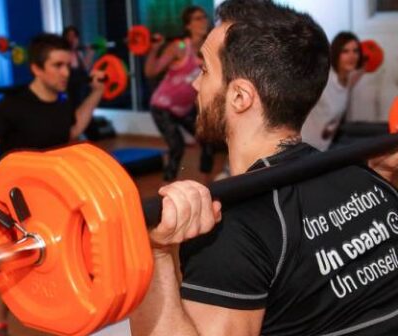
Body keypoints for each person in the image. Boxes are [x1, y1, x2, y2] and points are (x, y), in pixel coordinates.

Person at [130, 1, 398, 335]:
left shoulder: (229, 226)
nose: (195, 86)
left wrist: (155, 255)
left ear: (240, 97)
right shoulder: (372, 183)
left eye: (204, 71)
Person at [0, 33, 105, 336]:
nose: (66, 72)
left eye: (68, 65)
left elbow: (74, 127)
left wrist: (96, 93)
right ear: (37, 69)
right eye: (58, 65)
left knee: (65, 254)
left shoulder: (62, 103)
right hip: (11, 201)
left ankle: (66, 317)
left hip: (50, 196)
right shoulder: (12, 106)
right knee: (8, 262)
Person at [145, 6, 214, 182]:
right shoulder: (180, 47)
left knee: (207, 142)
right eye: (197, 18)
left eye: (204, 17)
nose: (203, 21)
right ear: (188, 25)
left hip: (184, 109)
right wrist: (154, 49)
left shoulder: (209, 49)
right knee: (177, 147)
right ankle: (167, 190)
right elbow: (151, 72)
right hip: (162, 107)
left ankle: (209, 188)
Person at [301, 31, 365, 151]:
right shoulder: (324, 79)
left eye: (355, 51)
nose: (352, 56)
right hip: (305, 149)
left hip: (324, 147)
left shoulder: (346, 79)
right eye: (345, 51)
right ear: (336, 54)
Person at [62, 25, 95, 108]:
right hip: (67, 95)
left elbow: (86, 68)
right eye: (69, 36)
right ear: (65, 38)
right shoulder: (62, 55)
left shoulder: (78, 54)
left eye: (75, 36)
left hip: (81, 94)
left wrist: (90, 53)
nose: (72, 39)